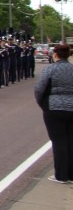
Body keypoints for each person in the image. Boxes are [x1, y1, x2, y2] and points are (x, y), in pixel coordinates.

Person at [35, 43, 73, 183]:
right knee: (70, 140)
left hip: (54, 107)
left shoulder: (50, 69)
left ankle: (61, 175)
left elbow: (39, 89)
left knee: (59, 142)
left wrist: (43, 104)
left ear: (55, 54)